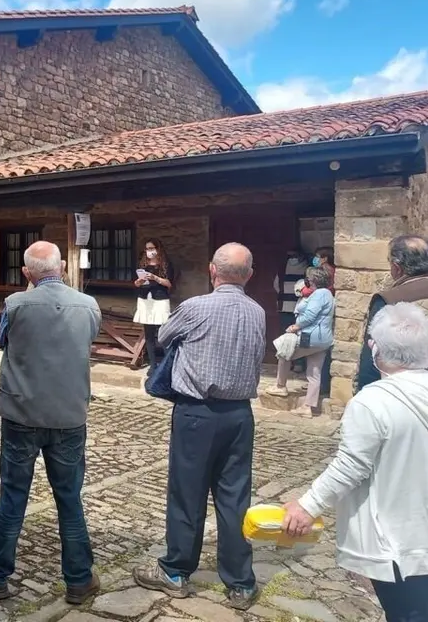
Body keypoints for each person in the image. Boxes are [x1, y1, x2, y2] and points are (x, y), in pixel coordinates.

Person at [283, 302, 428, 622]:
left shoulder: (373, 401)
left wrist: (307, 506)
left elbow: (351, 465)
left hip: (398, 541)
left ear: (374, 349)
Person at [0, 241, 102, 605]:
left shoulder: (15, 304)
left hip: (22, 414)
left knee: (13, 497)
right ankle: (78, 579)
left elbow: (2, 342)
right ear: (62, 268)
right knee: (69, 498)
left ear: (26, 273)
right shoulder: (89, 305)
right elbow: (87, 340)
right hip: (69, 415)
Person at [133, 243, 266, 611]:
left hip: (197, 413)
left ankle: (176, 570)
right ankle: (240, 582)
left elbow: (162, 337)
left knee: (187, 492)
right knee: (234, 496)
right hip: (239, 414)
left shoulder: (194, 308)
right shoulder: (257, 312)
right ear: (249, 275)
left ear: (212, 271)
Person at [356, 235, 428, 391]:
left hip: (403, 397)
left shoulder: (389, 300)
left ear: (397, 267)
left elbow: (373, 359)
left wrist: (364, 396)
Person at [268, 265, 335, 417]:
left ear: (313, 281)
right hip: (322, 339)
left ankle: (280, 386)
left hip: (310, 336)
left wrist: (296, 326)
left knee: (284, 352)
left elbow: (311, 315)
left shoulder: (319, 294)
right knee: (314, 372)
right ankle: (307, 407)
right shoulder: (327, 294)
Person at [133, 238, 176, 372]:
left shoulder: (166, 264)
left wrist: (155, 278)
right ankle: (153, 365)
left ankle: (166, 365)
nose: (149, 251)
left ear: (158, 249)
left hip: (160, 300)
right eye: (147, 249)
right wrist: (139, 282)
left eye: (152, 248)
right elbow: (135, 283)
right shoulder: (142, 264)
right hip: (145, 300)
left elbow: (169, 284)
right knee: (149, 334)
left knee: (163, 333)